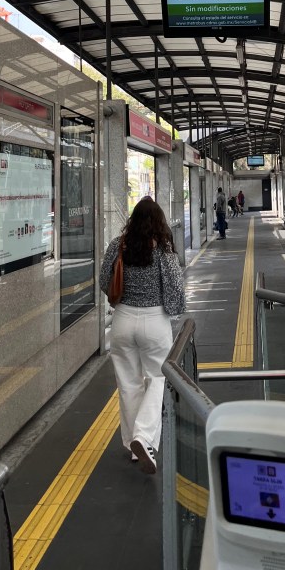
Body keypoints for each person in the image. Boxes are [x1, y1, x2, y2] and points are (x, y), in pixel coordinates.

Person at [99, 198, 185, 474]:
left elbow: (104, 280)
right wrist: (173, 310)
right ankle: (144, 437)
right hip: (153, 322)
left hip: (122, 320)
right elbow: (174, 285)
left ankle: (136, 448)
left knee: (129, 384)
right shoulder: (162, 248)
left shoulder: (118, 244)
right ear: (159, 220)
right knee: (158, 378)